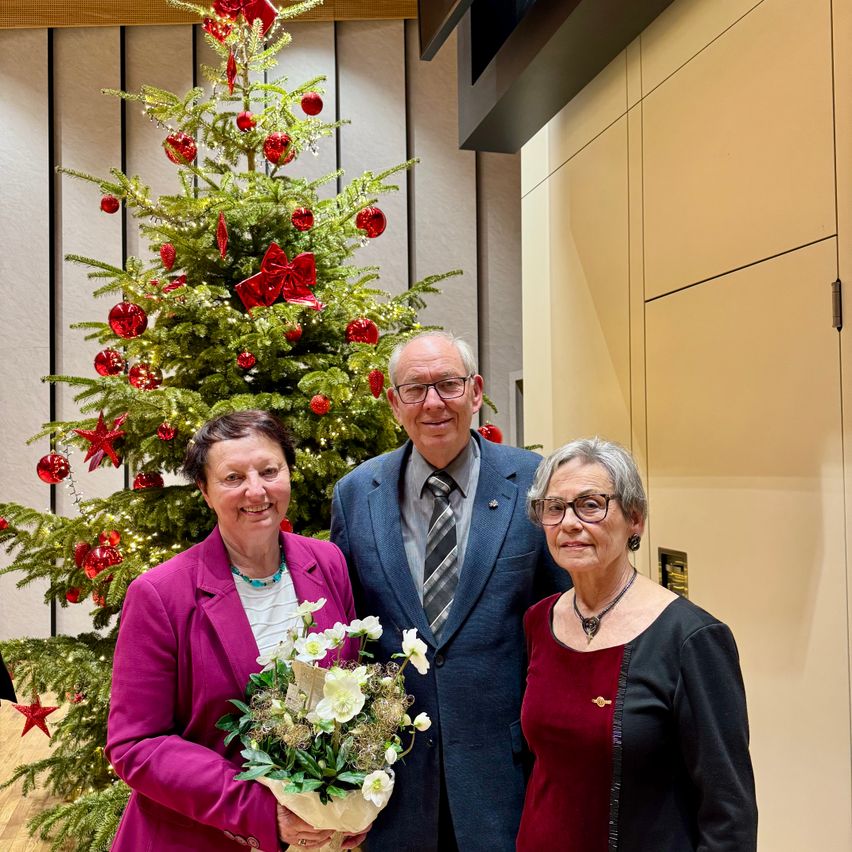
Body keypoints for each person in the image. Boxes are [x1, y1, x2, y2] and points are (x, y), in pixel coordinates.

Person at [330, 331, 568, 852]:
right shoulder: (355, 495)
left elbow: (564, 621)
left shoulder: (536, 482)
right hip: (394, 783)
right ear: (394, 403)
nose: (433, 403)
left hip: (506, 775)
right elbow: (349, 638)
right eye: (415, 389)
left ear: (476, 390)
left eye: (448, 384)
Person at [107, 410, 366, 852]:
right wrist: (261, 810)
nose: (256, 490)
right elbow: (136, 743)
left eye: (270, 471)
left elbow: (348, 693)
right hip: (197, 837)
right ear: (205, 491)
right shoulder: (159, 594)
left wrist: (352, 796)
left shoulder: (327, 562)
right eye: (232, 478)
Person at [518, 437, 757, 851]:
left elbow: (729, 813)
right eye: (554, 508)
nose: (570, 523)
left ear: (635, 519)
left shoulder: (691, 639)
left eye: (591, 504)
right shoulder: (540, 621)